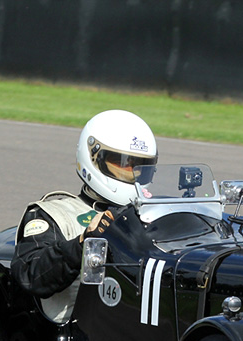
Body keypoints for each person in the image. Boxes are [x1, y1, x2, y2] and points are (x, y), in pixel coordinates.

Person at [12, 109, 158, 322]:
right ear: (94, 157)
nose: (133, 173)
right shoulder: (53, 214)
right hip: (75, 337)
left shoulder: (151, 215)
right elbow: (30, 275)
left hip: (136, 327)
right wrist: (83, 242)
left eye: (140, 167)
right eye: (123, 164)